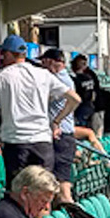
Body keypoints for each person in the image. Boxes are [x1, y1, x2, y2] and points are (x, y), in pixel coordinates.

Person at [0, 36, 76, 179]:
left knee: (18, 194)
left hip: (16, 144)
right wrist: (57, 121)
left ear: (8, 54)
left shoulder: (0, 76)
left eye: (2, 54)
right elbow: (74, 99)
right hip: (43, 144)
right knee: (43, 192)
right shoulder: (44, 74)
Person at [34, 47, 85, 202]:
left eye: (43, 63)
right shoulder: (65, 78)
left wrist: (56, 121)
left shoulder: (59, 80)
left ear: (51, 62)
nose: (42, 67)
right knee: (55, 189)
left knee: (63, 190)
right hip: (63, 136)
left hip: (61, 137)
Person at [71, 54, 104, 135]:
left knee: (85, 129)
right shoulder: (90, 76)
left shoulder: (79, 79)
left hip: (87, 107)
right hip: (92, 106)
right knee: (95, 132)